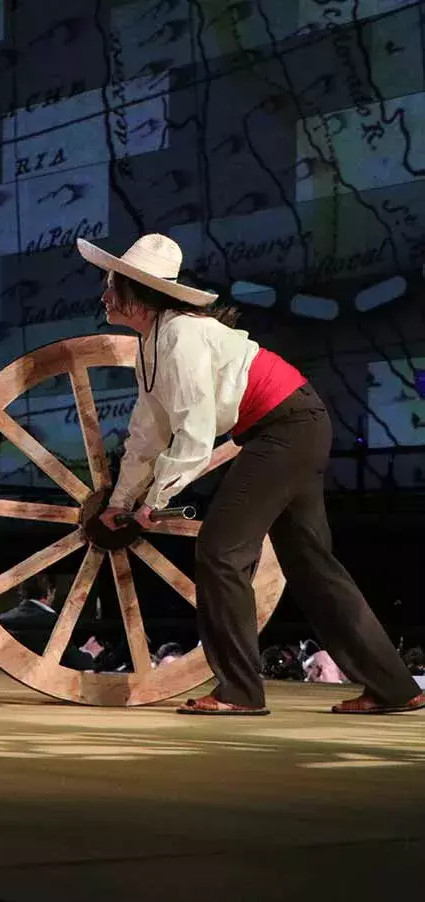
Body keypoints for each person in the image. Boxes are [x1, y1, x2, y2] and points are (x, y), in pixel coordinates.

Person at [78, 232, 423, 716]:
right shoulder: (155, 345)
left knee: (221, 551)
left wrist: (153, 502)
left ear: (139, 291)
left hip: (286, 427)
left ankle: (239, 691)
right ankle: (395, 687)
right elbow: (148, 432)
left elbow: (195, 435)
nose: (104, 294)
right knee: (313, 567)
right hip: (293, 424)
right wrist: (121, 501)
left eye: (112, 284)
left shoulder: (180, 335)